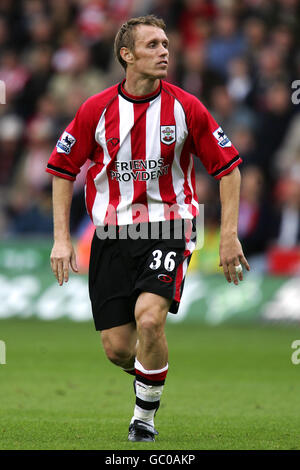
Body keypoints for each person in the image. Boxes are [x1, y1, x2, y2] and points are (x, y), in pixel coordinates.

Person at [46, 15, 250, 443]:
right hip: (111, 235)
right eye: (153, 45)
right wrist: (62, 239)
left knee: (150, 319)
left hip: (169, 226)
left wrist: (229, 234)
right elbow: (62, 169)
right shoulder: (95, 110)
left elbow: (229, 169)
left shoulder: (186, 107)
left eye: (166, 44)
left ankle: (144, 420)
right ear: (127, 55)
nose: (164, 52)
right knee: (118, 348)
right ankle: (149, 375)